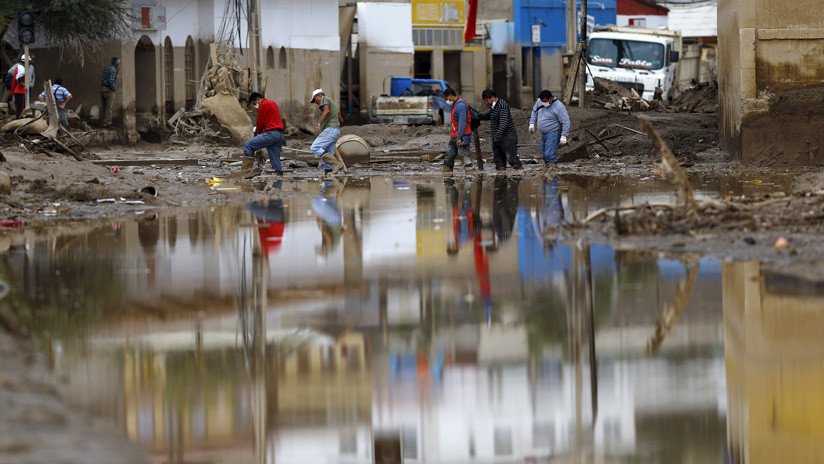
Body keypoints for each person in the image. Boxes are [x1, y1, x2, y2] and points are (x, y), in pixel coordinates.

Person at [242, 91, 286, 177]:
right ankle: (279, 176)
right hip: (279, 135)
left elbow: (260, 122)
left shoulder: (263, 105)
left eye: (254, 103)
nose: (255, 105)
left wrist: (257, 132)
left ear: (258, 99)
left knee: (248, 145)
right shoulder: (273, 103)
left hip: (271, 134)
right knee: (275, 158)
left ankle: (245, 172)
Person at [479, 89, 522, 171]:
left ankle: (520, 176)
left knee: (512, 160)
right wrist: (477, 115)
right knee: (499, 163)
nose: (486, 103)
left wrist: (498, 135)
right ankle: (501, 181)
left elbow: (504, 122)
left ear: (491, 98)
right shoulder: (493, 107)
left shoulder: (502, 105)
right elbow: (487, 116)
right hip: (497, 139)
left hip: (507, 138)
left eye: (486, 100)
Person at [529, 89, 570, 176]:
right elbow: (534, 111)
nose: (543, 103)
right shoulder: (539, 102)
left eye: (545, 101)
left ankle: (552, 172)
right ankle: (546, 173)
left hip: (553, 132)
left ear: (550, 99)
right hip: (543, 133)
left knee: (550, 154)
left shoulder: (559, 107)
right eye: (542, 101)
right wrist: (532, 123)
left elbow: (566, 121)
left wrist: (564, 135)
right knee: (544, 155)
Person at [309, 89, 344, 177]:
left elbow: (327, 110)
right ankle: (328, 178)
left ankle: (336, 164)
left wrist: (318, 124)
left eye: (314, 100)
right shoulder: (334, 105)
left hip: (331, 130)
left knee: (314, 147)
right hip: (335, 130)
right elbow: (341, 120)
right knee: (327, 157)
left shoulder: (324, 99)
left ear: (318, 96)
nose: (315, 103)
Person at [442, 87, 474, 173]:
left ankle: (471, 174)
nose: (446, 101)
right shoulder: (456, 105)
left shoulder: (460, 106)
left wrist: (459, 137)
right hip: (455, 136)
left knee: (464, 157)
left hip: (462, 136)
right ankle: (447, 172)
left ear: (450, 96)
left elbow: (462, 123)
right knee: (449, 155)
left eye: (446, 99)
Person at [8, 55, 35, 119]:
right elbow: (17, 78)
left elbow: (14, 81)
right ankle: (20, 121)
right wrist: (20, 82)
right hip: (22, 91)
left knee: (19, 108)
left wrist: (12, 92)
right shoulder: (21, 68)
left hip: (18, 91)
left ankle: (19, 119)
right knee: (22, 108)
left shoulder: (19, 68)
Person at [100, 57, 120, 127]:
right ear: (116, 64)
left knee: (104, 106)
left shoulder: (107, 67)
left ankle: (103, 122)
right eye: (118, 63)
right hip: (108, 89)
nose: (119, 64)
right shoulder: (113, 70)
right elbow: (111, 81)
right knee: (109, 107)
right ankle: (107, 123)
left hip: (102, 88)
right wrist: (114, 89)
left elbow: (104, 77)